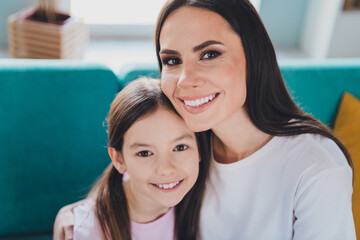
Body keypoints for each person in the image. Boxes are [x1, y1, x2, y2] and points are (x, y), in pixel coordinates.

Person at [54, 0, 356, 239]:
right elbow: (133, 172)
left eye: (209, 54)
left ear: (254, 57)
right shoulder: (187, 136)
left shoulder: (317, 168)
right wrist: (81, 217)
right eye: (172, 60)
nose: (186, 80)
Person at [61, 78, 210, 240]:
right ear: (119, 160)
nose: (166, 169)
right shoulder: (88, 232)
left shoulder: (207, 196)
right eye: (145, 153)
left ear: (199, 149)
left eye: (180, 147)